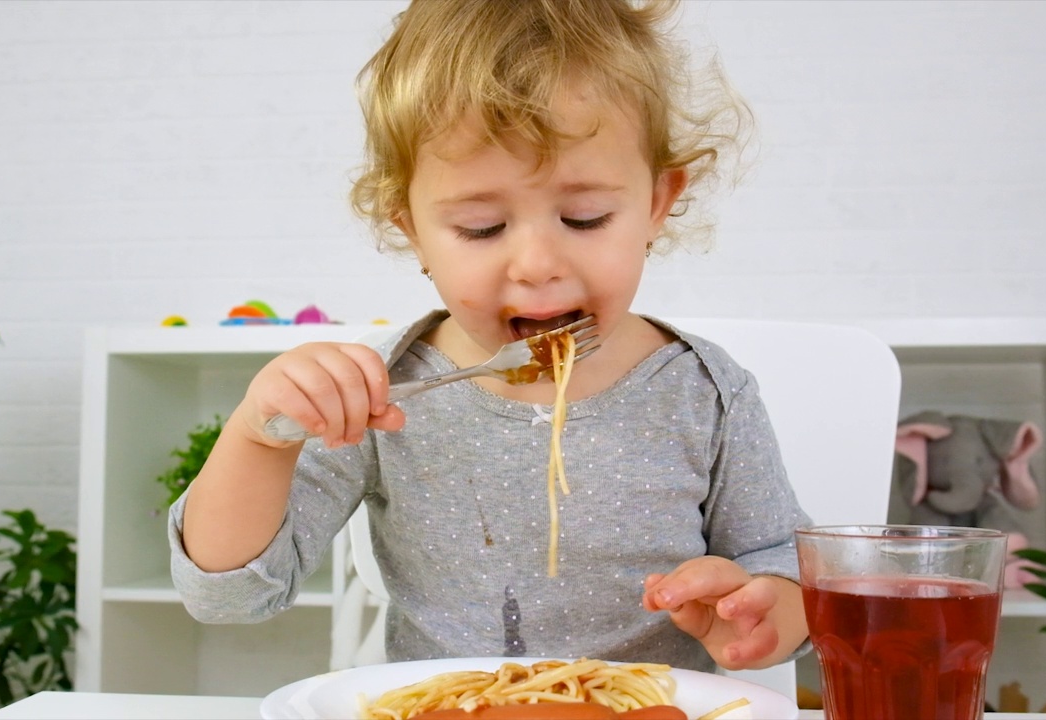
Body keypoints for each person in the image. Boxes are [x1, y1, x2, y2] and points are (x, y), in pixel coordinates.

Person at [170, 0, 811, 673]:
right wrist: (258, 435)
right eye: (481, 228)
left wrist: (762, 608)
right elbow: (228, 597)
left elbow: (781, 569)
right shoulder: (382, 390)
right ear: (410, 227)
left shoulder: (706, 392)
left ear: (656, 202)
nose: (537, 264)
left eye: (585, 217)